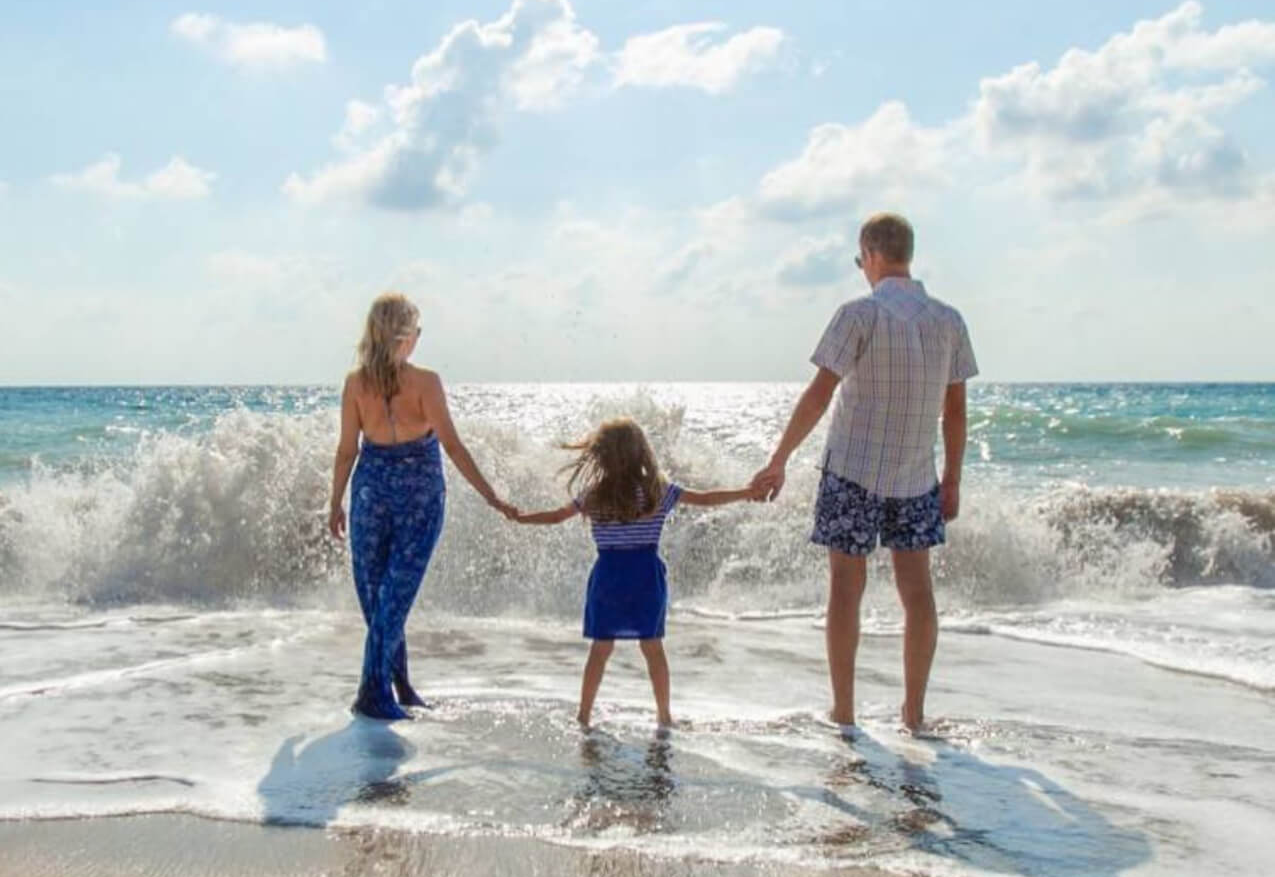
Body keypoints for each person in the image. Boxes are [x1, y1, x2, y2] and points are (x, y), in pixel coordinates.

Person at [751, 213, 977, 734]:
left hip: (852, 471)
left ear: (872, 254)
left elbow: (818, 395)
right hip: (917, 476)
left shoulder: (859, 315)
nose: (862, 269)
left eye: (860, 260)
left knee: (845, 591)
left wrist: (780, 458)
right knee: (917, 594)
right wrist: (954, 479)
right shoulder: (949, 320)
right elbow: (957, 412)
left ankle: (845, 712)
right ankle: (914, 714)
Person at [328, 293, 516, 720]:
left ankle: (397, 686)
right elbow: (451, 445)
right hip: (415, 494)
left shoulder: (357, 383)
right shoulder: (424, 383)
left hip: (371, 491)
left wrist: (336, 501)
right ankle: (373, 693)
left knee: (384, 596)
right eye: (417, 330)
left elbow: (346, 451)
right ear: (407, 336)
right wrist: (491, 495)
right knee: (387, 598)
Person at [514, 418, 758, 728]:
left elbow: (556, 517)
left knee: (600, 649)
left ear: (601, 455)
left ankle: (584, 715)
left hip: (608, 578)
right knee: (653, 648)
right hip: (645, 579)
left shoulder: (594, 495)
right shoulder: (658, 491)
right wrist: (746, 492)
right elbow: (706, 499)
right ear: (641, 453)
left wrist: (521, 517)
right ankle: (664, 715)